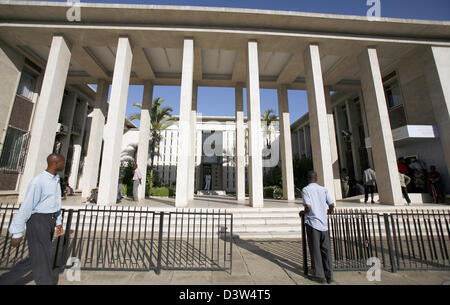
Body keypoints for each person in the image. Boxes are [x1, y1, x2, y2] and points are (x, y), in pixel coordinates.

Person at [0, 154, 65, 285]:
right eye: (62, 162)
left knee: (37, 257)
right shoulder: (38, 182)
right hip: (38, 220)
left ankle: (4, 280)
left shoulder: (56, 179)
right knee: (44, 258)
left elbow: (56, 202)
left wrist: (58, 222)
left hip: (49, 220)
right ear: (55, 163)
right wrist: (17, 232)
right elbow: (26, 207)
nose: (64, 164)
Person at [300, 171, 335, 284]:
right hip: (323, 224)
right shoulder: (323, 189)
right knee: (326, 250)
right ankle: (329, 275)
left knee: (315, 249)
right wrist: (329, 211)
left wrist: (303, 212)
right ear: (316, 178)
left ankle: (320, 275)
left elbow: (308, 206)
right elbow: (331, 204)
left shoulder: (306, 190)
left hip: (313, 223)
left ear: (308, 178)